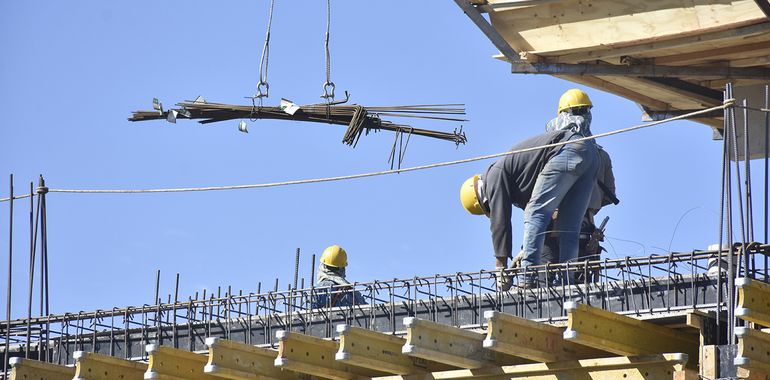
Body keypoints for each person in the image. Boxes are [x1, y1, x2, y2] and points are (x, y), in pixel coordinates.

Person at [460, 89, 599, 290]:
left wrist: (500, 266)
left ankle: (527, 280)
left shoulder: (493, 175)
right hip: (590, 154)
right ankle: (568, 283)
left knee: (536, 213)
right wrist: (525, 251)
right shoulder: (517, 181)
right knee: (569, 227)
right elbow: (543, 217)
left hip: (567, 149)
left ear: (483, 198)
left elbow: (501, 223)